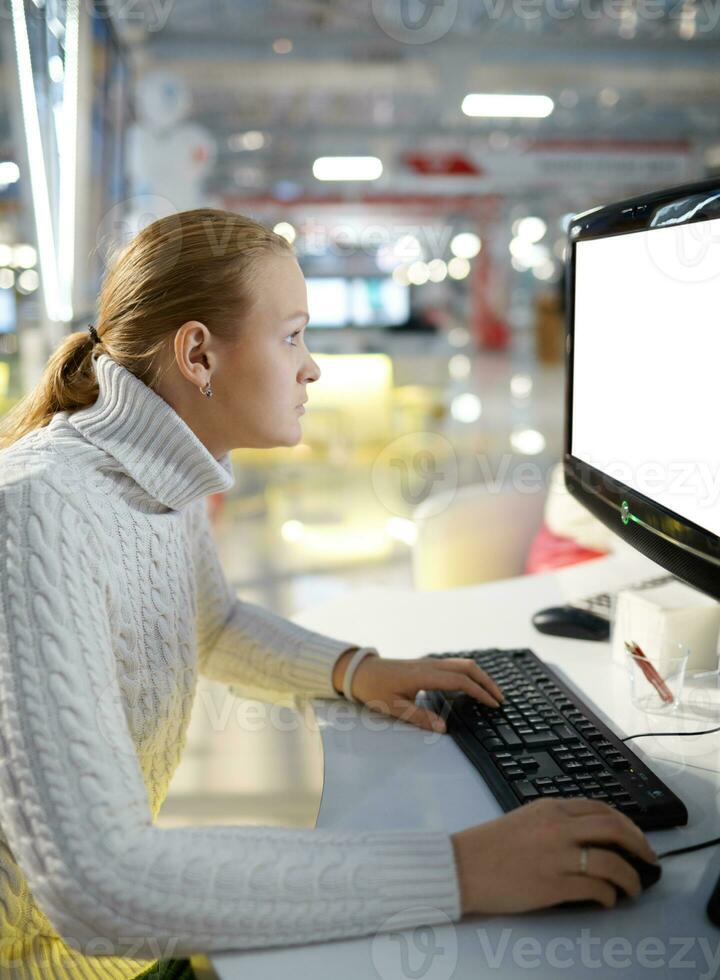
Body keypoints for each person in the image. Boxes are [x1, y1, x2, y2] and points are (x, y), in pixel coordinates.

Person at [0, 210, 658, 979]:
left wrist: (355, 670)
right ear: (198, 354)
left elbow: (210, 627)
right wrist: (462, 870)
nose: (312, 368)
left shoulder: (152, 476)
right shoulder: (41, 510)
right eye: (293, 336)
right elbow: (101, 885)